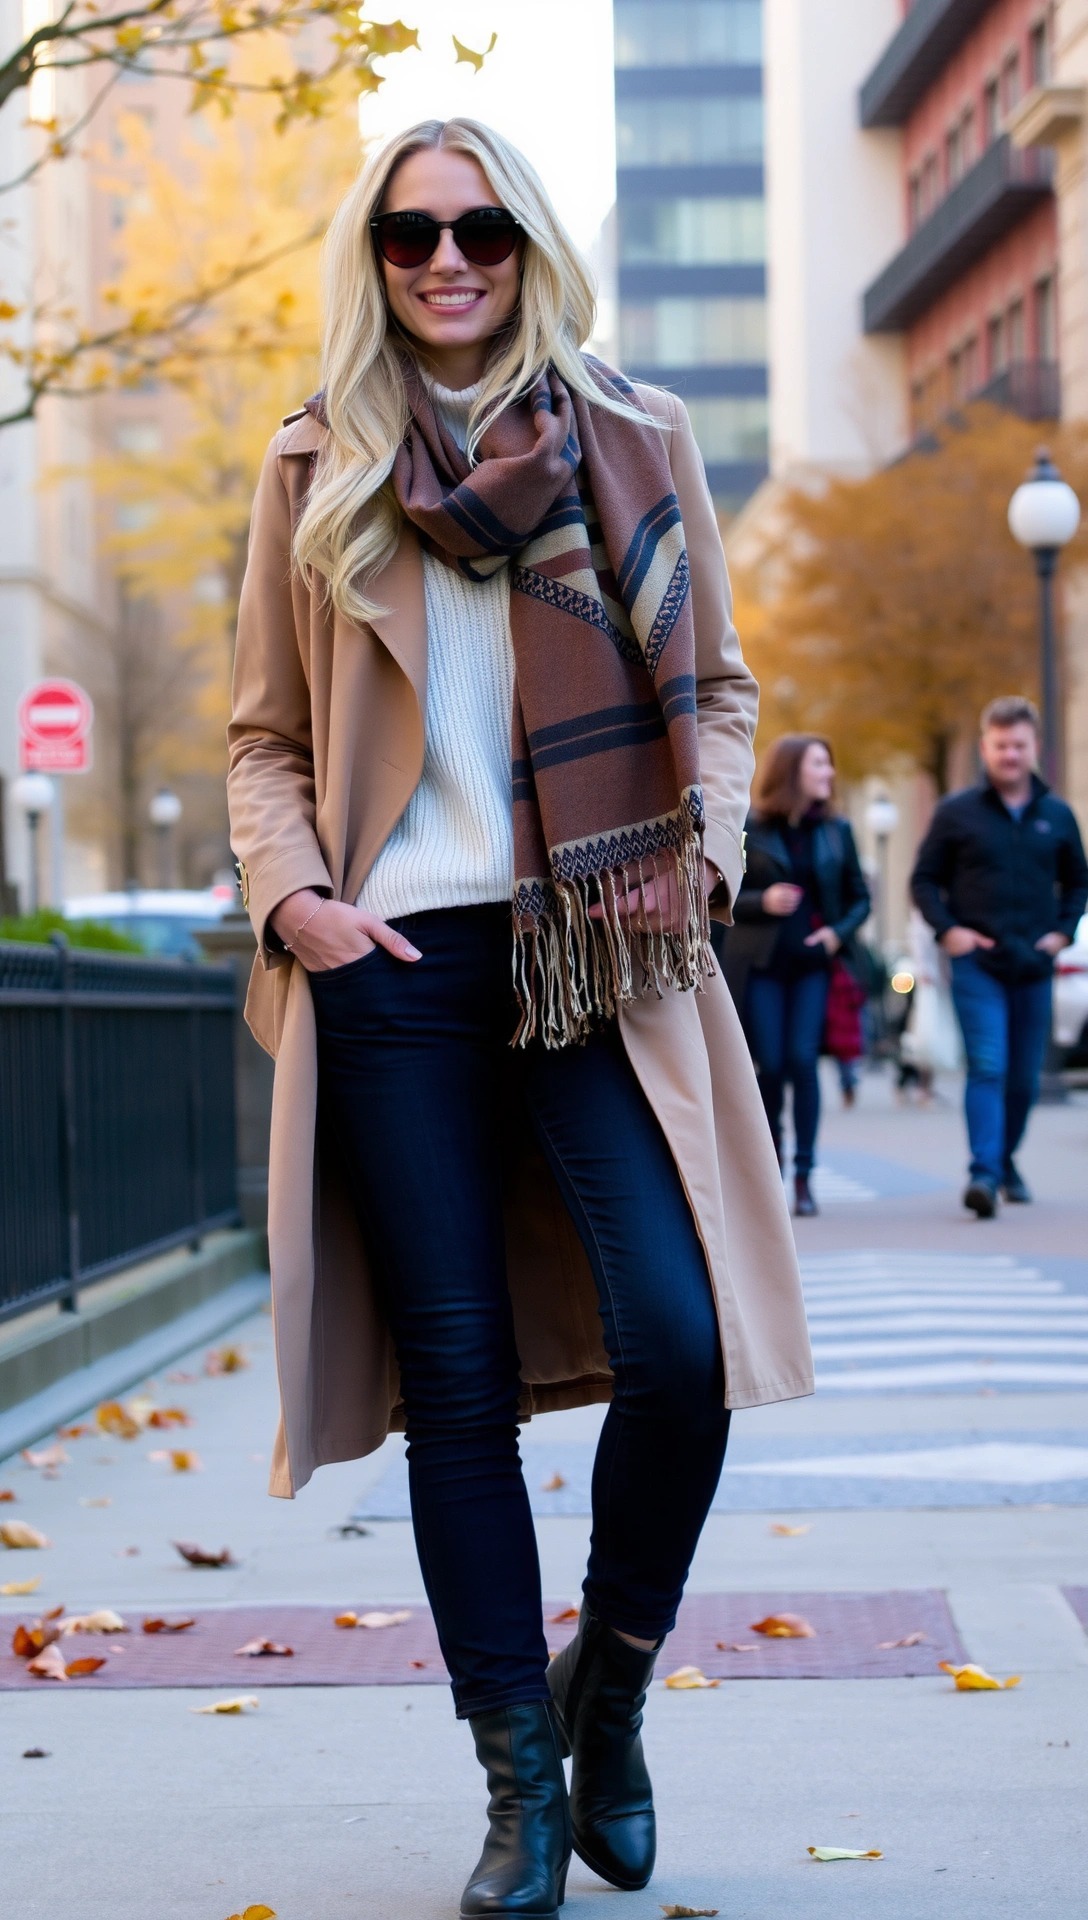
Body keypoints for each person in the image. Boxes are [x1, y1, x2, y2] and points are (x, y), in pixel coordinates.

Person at [227, 118, 812, 1920]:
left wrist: (697, 854)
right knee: (457, 1393)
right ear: (376, 258)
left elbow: (711, 687)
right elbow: (263, 733)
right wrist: (293, 899)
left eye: (477, 225)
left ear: (526, 239)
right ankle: (516, 1789)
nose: (445, 258)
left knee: (681, 1339)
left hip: (602, 954)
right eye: (409, 235)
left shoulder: (632, 437)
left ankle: (607, 1690)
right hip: (398, 973)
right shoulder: (319, 462)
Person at [911, 695, 1088, 1218]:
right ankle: (984, 1175)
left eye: (1019, 746)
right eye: (1001, 745)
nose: (1010, 755)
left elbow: (1078, 881)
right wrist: (950, 933)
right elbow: (924, 880)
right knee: (988, 1064)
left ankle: (1004, 1160)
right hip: (977, 964)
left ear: (1034, 748)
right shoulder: (956, 813)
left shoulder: (1056, 815)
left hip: (1034, 965)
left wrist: (1062, 933)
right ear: (986, 747)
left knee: (1025, 1079)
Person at [722, 735, 870, 1217]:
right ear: (792, 771)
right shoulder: (750, 827)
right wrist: (760, 902)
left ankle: (805, 1176)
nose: (829, 773)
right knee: (772, 1065)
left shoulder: (837, 831)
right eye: (819, 764)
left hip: (812, 967)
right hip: (762, 965)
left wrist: (836, 934)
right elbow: (716, 894)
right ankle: (772, 1173)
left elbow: (859, 897)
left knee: (803, 1062)